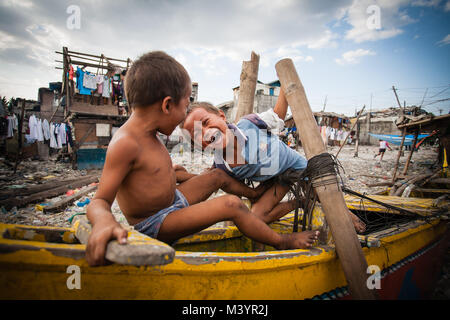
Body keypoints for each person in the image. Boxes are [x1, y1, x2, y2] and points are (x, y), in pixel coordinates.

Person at [85, 51, 320, 266]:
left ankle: (256, 194)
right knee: (231, 205)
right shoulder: (126, 142)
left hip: (173, 200)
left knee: (217, 175)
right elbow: (100, 201)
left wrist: (186, 176)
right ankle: (281, 241)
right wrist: (104, 222)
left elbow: (159, 175)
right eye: (185, 106)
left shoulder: (151, 135)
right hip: (156, 222)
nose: (185, 124)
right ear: (167, 105)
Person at [180, 88, 365, 233]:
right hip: (274, 181)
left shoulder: (250, 123)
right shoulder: (222, 166)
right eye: (197, 134)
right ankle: (301, 202)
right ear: (200, 145)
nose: (205, 132)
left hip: (298, 168)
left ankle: (348, 215)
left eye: (205, 122)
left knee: (328, 199)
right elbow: (212, 182)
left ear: (221, 116)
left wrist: (284, 86)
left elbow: (278, 113)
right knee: (257, 217)